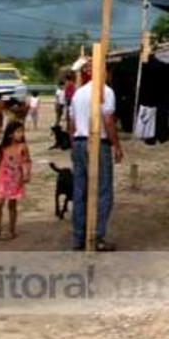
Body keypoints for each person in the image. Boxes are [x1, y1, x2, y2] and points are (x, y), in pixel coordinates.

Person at [69, 61, 124, 251]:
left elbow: (72, 122)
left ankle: (78, 236)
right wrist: (116, 145)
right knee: (103, 191)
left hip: (79, 141)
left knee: (80, 191)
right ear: (106, 72)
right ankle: (97, 236)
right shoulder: (106, 91)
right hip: (97, 142)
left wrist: (75, 144)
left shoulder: (78, 93)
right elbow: (108, 121)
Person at [0, 121, 32, 241]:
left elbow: (27, 161)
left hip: (15, 179)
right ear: (10, 134)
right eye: (18, 131)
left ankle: (12, 230)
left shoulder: (23, 147)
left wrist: (27, 174)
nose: (21, 134)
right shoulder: (2, 147)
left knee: (12, 205)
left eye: (22, 131)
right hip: (2, 178)